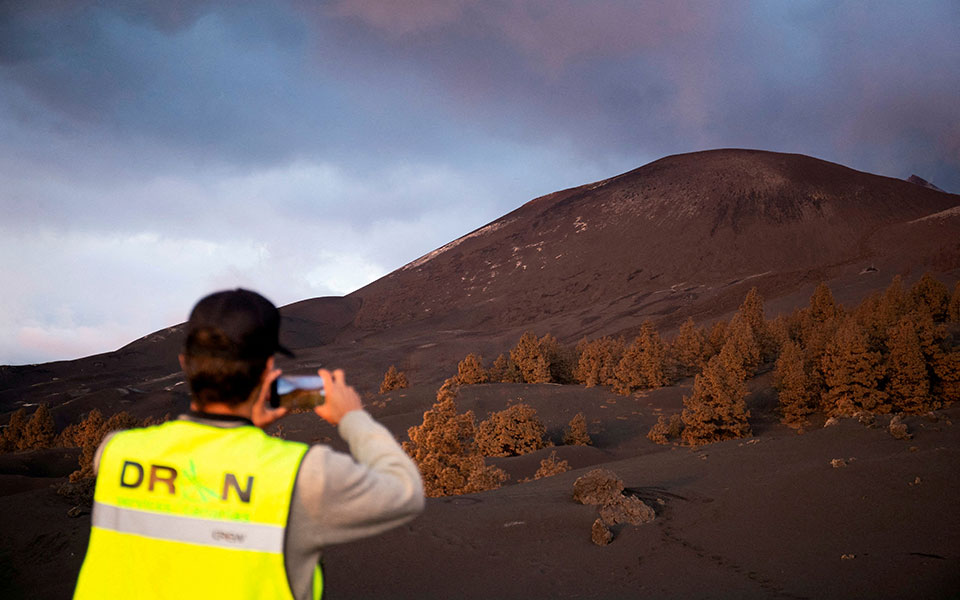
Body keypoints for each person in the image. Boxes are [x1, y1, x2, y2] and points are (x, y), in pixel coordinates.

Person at [74, 288, 424, 599]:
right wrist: (351, 416)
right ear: (268, 370)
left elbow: (191, 478)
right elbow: (405, 491)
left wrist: (240, 425)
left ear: (186, 364)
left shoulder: (115, 453)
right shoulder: (301, 476)